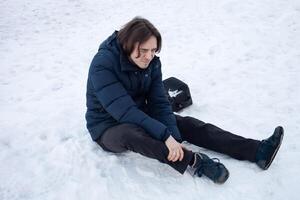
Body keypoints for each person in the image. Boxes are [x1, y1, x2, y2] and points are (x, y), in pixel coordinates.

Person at [85, 17, 284, 184]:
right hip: (108, 126)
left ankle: (257, 151)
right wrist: (165, 138)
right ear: (129, 43)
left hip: (139, 111)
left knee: (184, 124)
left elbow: (159, 103)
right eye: (144, 50)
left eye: (154, 50)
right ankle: (194, 161)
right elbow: (125, 111)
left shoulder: (152, 62)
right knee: (133, 134)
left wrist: (174, 137)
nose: (149, 56)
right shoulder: (103, 64)